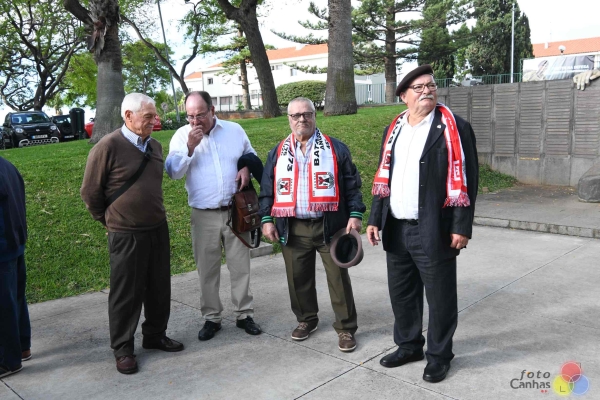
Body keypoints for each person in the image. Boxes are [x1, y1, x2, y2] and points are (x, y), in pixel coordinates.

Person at [366, 65, 479, 382]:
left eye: (430, 85)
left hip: (434, 228)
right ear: (403, 96)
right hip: (396, 227)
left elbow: (469, 180)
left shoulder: (454, 128)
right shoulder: (394, 130)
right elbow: (383, 177)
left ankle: (439, 356)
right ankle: (409, 346)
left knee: (440, 298)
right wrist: (375, 218)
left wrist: (461, 226)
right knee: (402, 294)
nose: (427, 91)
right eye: (418, 87)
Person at [81, 93, 184, 375]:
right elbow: (90, 192)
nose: (154, 120)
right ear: (128, 116)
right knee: (126, 293)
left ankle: (155, 335)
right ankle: (123, 348)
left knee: (159, 287)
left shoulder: (155, 146)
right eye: (148, 116)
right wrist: (109, 221)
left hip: (157, 227)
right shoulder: (107, 146)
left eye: (154, 115)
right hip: (125, 232)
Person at [259, 97, 366, 353]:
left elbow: (352, 185)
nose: (302, 119)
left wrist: (355, 214)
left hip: (331, 225)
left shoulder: (335, 148)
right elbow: (267, 190)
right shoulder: (278, 152)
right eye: (296, 115)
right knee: (298, 278)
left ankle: (345, 328)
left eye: (306, 114)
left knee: (338, 279)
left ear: (314, 116)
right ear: (289, 119)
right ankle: (306, 320)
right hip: (293, 227)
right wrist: (266, 219)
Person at [165, 91, 263, 341]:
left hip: (235, 210)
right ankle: (212, 318)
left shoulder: (234, 130)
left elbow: (251, 155)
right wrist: (189, 147)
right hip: (203, 214)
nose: (195, 121)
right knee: (207, 269)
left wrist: (246, 168)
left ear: (212, 110)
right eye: (190, 116)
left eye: (200, 115)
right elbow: (173, 172)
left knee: (240, 266)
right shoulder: (181, 136)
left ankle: (244, 314)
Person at [0, 157, 32, 378]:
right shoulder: (6, 165)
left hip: (3, 245)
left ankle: (7, 361)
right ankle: (22, 347)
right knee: (15, 299)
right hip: (14, 241)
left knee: (4, 305)